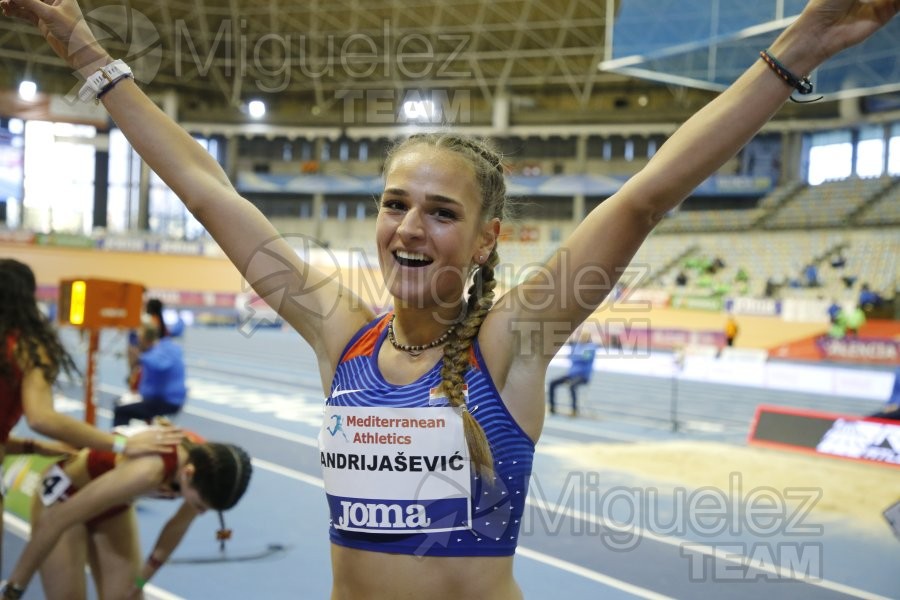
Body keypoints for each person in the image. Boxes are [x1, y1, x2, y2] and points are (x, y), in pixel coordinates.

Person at [2, 0, 894, 597]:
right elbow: (207, 191)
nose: (409, 228)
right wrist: (88, 51)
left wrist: (796, 51)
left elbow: (645, 193)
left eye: (440, 211)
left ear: (486, 237)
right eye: (395, 204)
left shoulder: (515, 339)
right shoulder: (338, 331)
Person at [0, 259, 182, 571]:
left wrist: (36, 448)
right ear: (27, 298)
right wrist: (121, 445)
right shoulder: (24, 345)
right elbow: (42, 418)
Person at [0, 433, 252, 599]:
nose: (200, 512)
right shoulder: (149, 472)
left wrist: (141, 582)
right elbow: (57, 520)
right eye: (198, 505)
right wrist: (14, 588)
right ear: (187, 473)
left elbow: (175, 528)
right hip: (65, 499)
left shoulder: (208, 471)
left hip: (114, 506)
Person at [114, 317, 187, 426]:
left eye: (139, 339)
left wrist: (140, 356)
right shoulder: (167, 345)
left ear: (143, 339)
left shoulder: (153, 355)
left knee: (121, 411)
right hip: (164, 399)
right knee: (124, 403)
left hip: (166, 402)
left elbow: (161, 365)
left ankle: (119, 443)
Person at [547, 331, 598, 415]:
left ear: (589, 338)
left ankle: (574, 410)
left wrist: (575, 356)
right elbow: (569, 356)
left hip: (582, 376)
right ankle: (552, 408)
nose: (582, 338)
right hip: (571, 374)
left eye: (585, 336)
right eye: (582, 336)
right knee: (552, 383)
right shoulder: (577, 346)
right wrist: (576, 355)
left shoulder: (591, 348)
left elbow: (585, 358)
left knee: (572, 386)